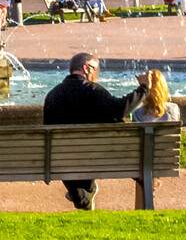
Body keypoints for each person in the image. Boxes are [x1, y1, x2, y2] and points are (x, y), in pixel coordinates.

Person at [41, 51, 133, 210]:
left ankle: (82, 197)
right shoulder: (93, 90)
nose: (97, 75)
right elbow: (119, 110)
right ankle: (84, 196)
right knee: (112, 124)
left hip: (59, 159)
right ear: (87, 68)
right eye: (96, 70)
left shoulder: (52, 95)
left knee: (66, 153)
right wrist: (143, 90)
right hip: (93, 156)